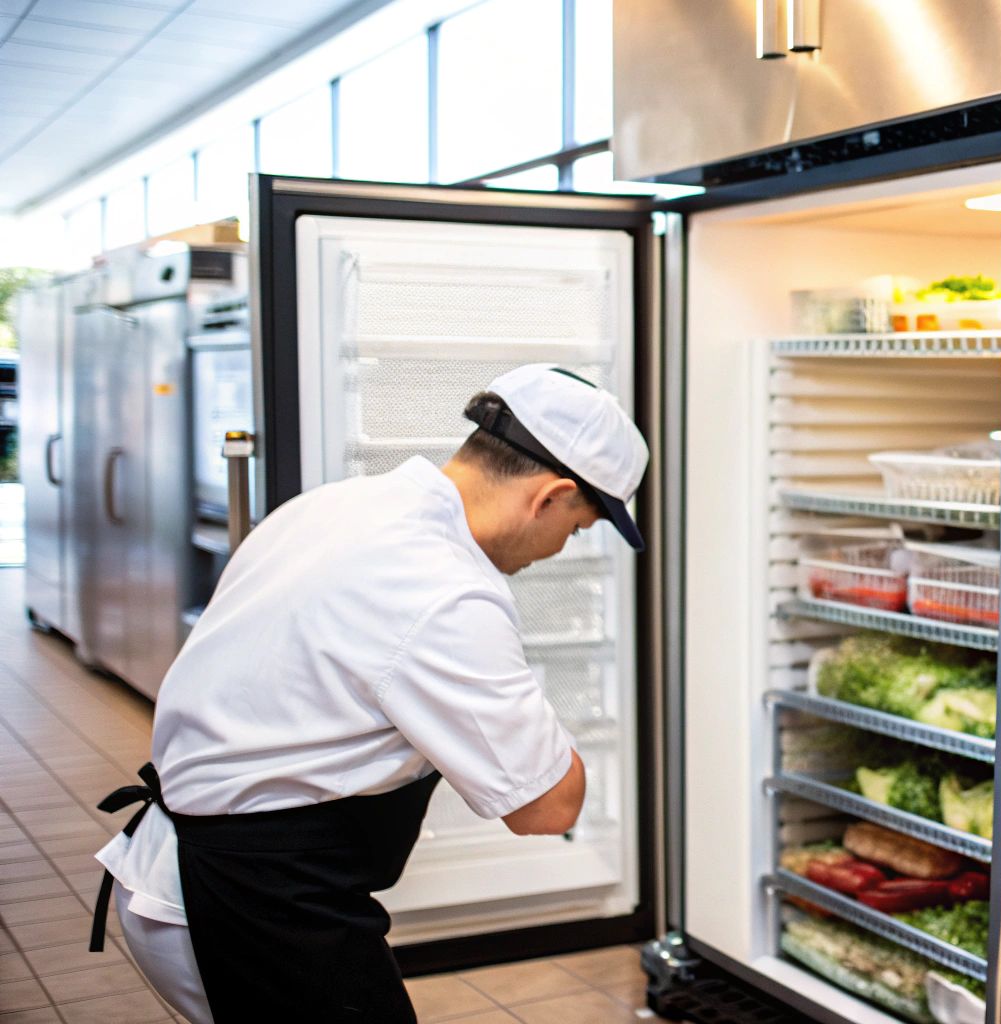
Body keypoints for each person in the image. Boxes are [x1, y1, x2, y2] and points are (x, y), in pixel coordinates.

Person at [88, 364, 648, 1023]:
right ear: (548, 497)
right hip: (249, 901)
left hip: (195, 866)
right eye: (578, 528)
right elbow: (549, 807)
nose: (562, 547)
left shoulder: (340, 505)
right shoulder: (443, 589)